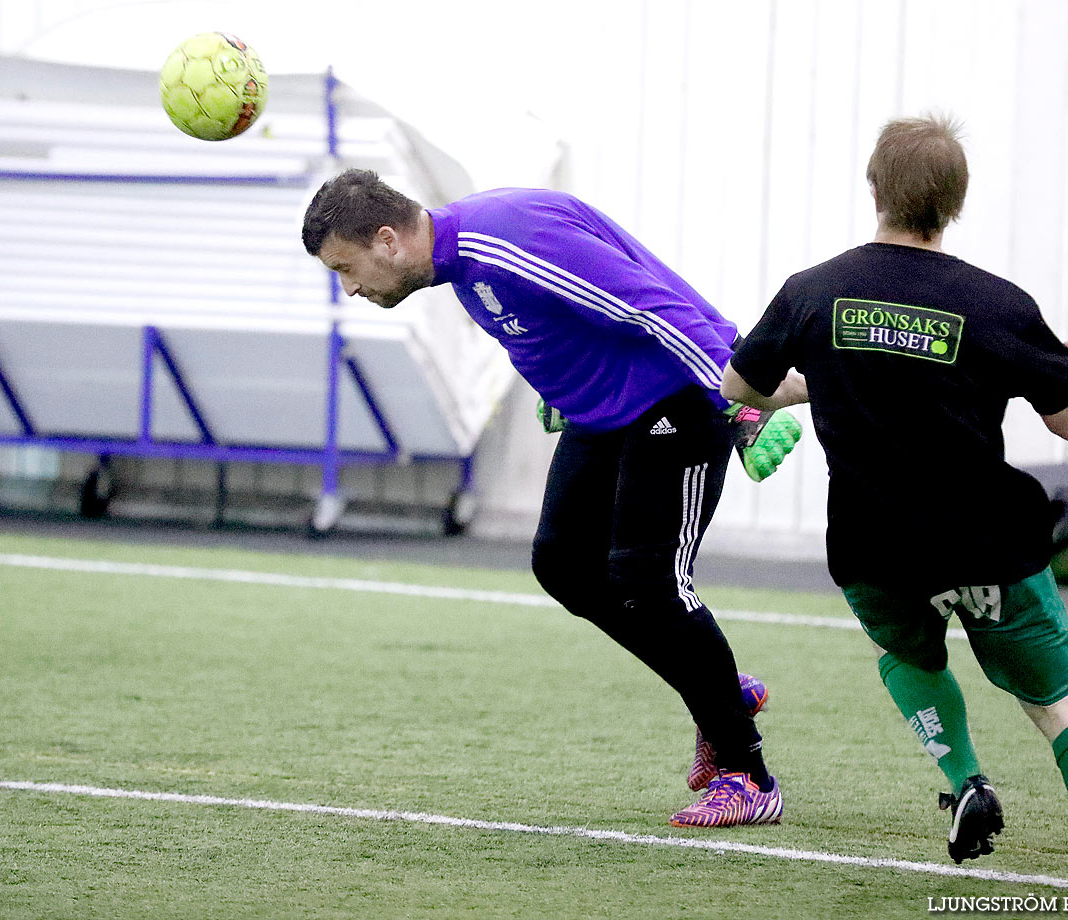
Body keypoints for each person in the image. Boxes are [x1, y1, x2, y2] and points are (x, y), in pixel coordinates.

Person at [721, 114, 1068, 897]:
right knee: (1056, 703)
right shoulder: (995, 303)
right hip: (987, 546)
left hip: (874, 551)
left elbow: (742, 387)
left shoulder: (812, 293)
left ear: (874, 187)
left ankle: (966, 777)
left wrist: (825, 380)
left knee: (909, 656)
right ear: (955, 204)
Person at [301, 169, 805, 827]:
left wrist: (744, 403)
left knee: (650, 582)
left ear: (388, 239)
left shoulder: (505, 241)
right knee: (562, 563)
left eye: (347, 267)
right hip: (604, 412)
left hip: (681, 396)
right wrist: (558, 380)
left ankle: (748, 775)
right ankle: (717, 693)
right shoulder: (458, 262)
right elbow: (555, 316)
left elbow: (651, 305)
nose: (350, 287)